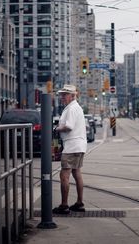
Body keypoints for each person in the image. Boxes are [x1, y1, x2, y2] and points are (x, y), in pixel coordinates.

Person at [52, 84, 87, 215]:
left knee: (64, 175)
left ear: (72, 96)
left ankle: (64, 205)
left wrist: (56, 128)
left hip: (72, 146)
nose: (62, 97)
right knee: (76, 173)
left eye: (65, 94)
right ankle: (79, 203)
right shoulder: (76, 107)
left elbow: (69, 126)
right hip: (79, 145)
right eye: (62, 94)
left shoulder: (71, 108)